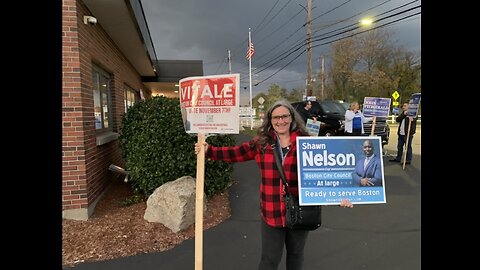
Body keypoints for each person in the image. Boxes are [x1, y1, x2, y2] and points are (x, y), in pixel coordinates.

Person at [195, 100, 353, 270]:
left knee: (296, 256)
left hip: (301, 209)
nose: (281, 121)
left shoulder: (307, 143)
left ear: (292, 118)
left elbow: (324, 174)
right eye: (276, 117)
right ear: (270, 120)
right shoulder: (261, 143)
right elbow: (236, 153)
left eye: (285, 116)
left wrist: (339, 196)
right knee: (269, 260)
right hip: (271, 211)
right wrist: (208, 151)